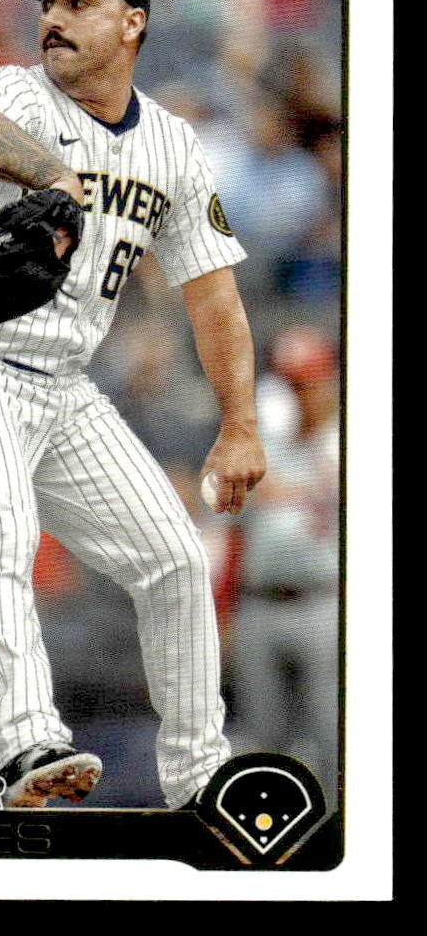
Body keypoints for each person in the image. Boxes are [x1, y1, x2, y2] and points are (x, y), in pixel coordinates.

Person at [0, 0, 266, 809]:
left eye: (79, 3)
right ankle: (27, 742)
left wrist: (240, 423)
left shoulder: (173, 146)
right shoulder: (19, 93)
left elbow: (214, 298)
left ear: (133, 23)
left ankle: (199, 779)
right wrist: (50, 172)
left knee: (174, 559)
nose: (54, 17)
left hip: (59, 385)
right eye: (48, 2)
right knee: (2, 532)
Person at [232, 325, 339, 809]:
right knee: (260, 739)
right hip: (258, 603)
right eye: (291, 383)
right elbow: (227, 524)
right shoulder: (262, 446)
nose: (299, 394)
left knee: (331, 733)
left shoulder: (348, 441)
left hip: (323, 601)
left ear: (327, 382)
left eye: (306, 383)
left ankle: (339, 835)